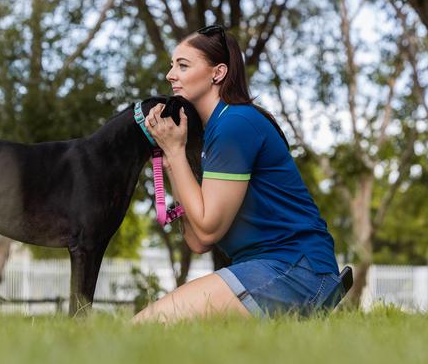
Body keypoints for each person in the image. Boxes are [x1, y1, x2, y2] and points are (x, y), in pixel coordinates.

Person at [131, 25, 341, 323]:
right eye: (171, 65)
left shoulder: (236, 124)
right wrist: (174, 165)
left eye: (183, 65)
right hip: (268, 269)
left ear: (217, 73)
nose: (170, 75)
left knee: (146, 327)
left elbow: (207, 230)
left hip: (294, 270)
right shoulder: (215, 131)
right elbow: (198, 242)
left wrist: (176, 153)